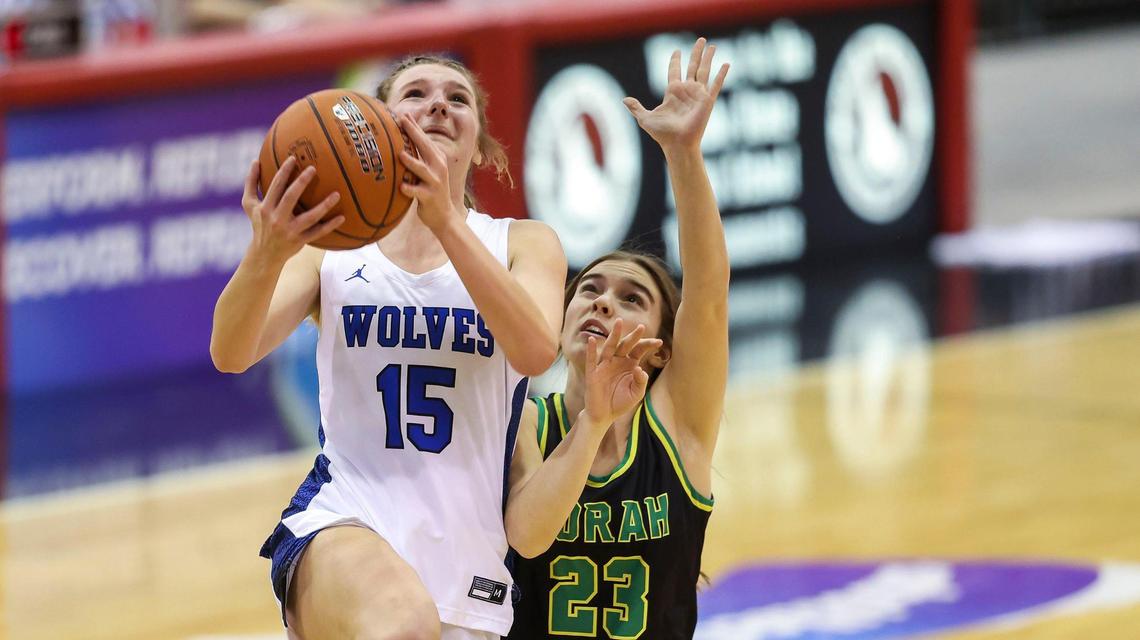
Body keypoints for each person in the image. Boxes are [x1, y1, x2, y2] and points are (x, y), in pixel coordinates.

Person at [211, 55, 568, 640]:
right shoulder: (329, 252)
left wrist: (446, 220)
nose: (438, 105)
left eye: (458, 99)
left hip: (469, 572)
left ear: (479, 147)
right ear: (379, 130)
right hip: (345, 519)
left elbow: (534, 352)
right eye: (417, 94)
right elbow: (230, 351)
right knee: (401, 624)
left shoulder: (524, 243)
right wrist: (267, 251)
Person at [503, 37, 730, 639]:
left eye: (632, 299)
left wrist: (683, 153)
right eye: (590, 289)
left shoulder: (678, 427)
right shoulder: (524, 422)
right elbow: (523, 537)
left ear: (662, 346)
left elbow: (706, 293)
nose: (603, 299)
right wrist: (594, 424)